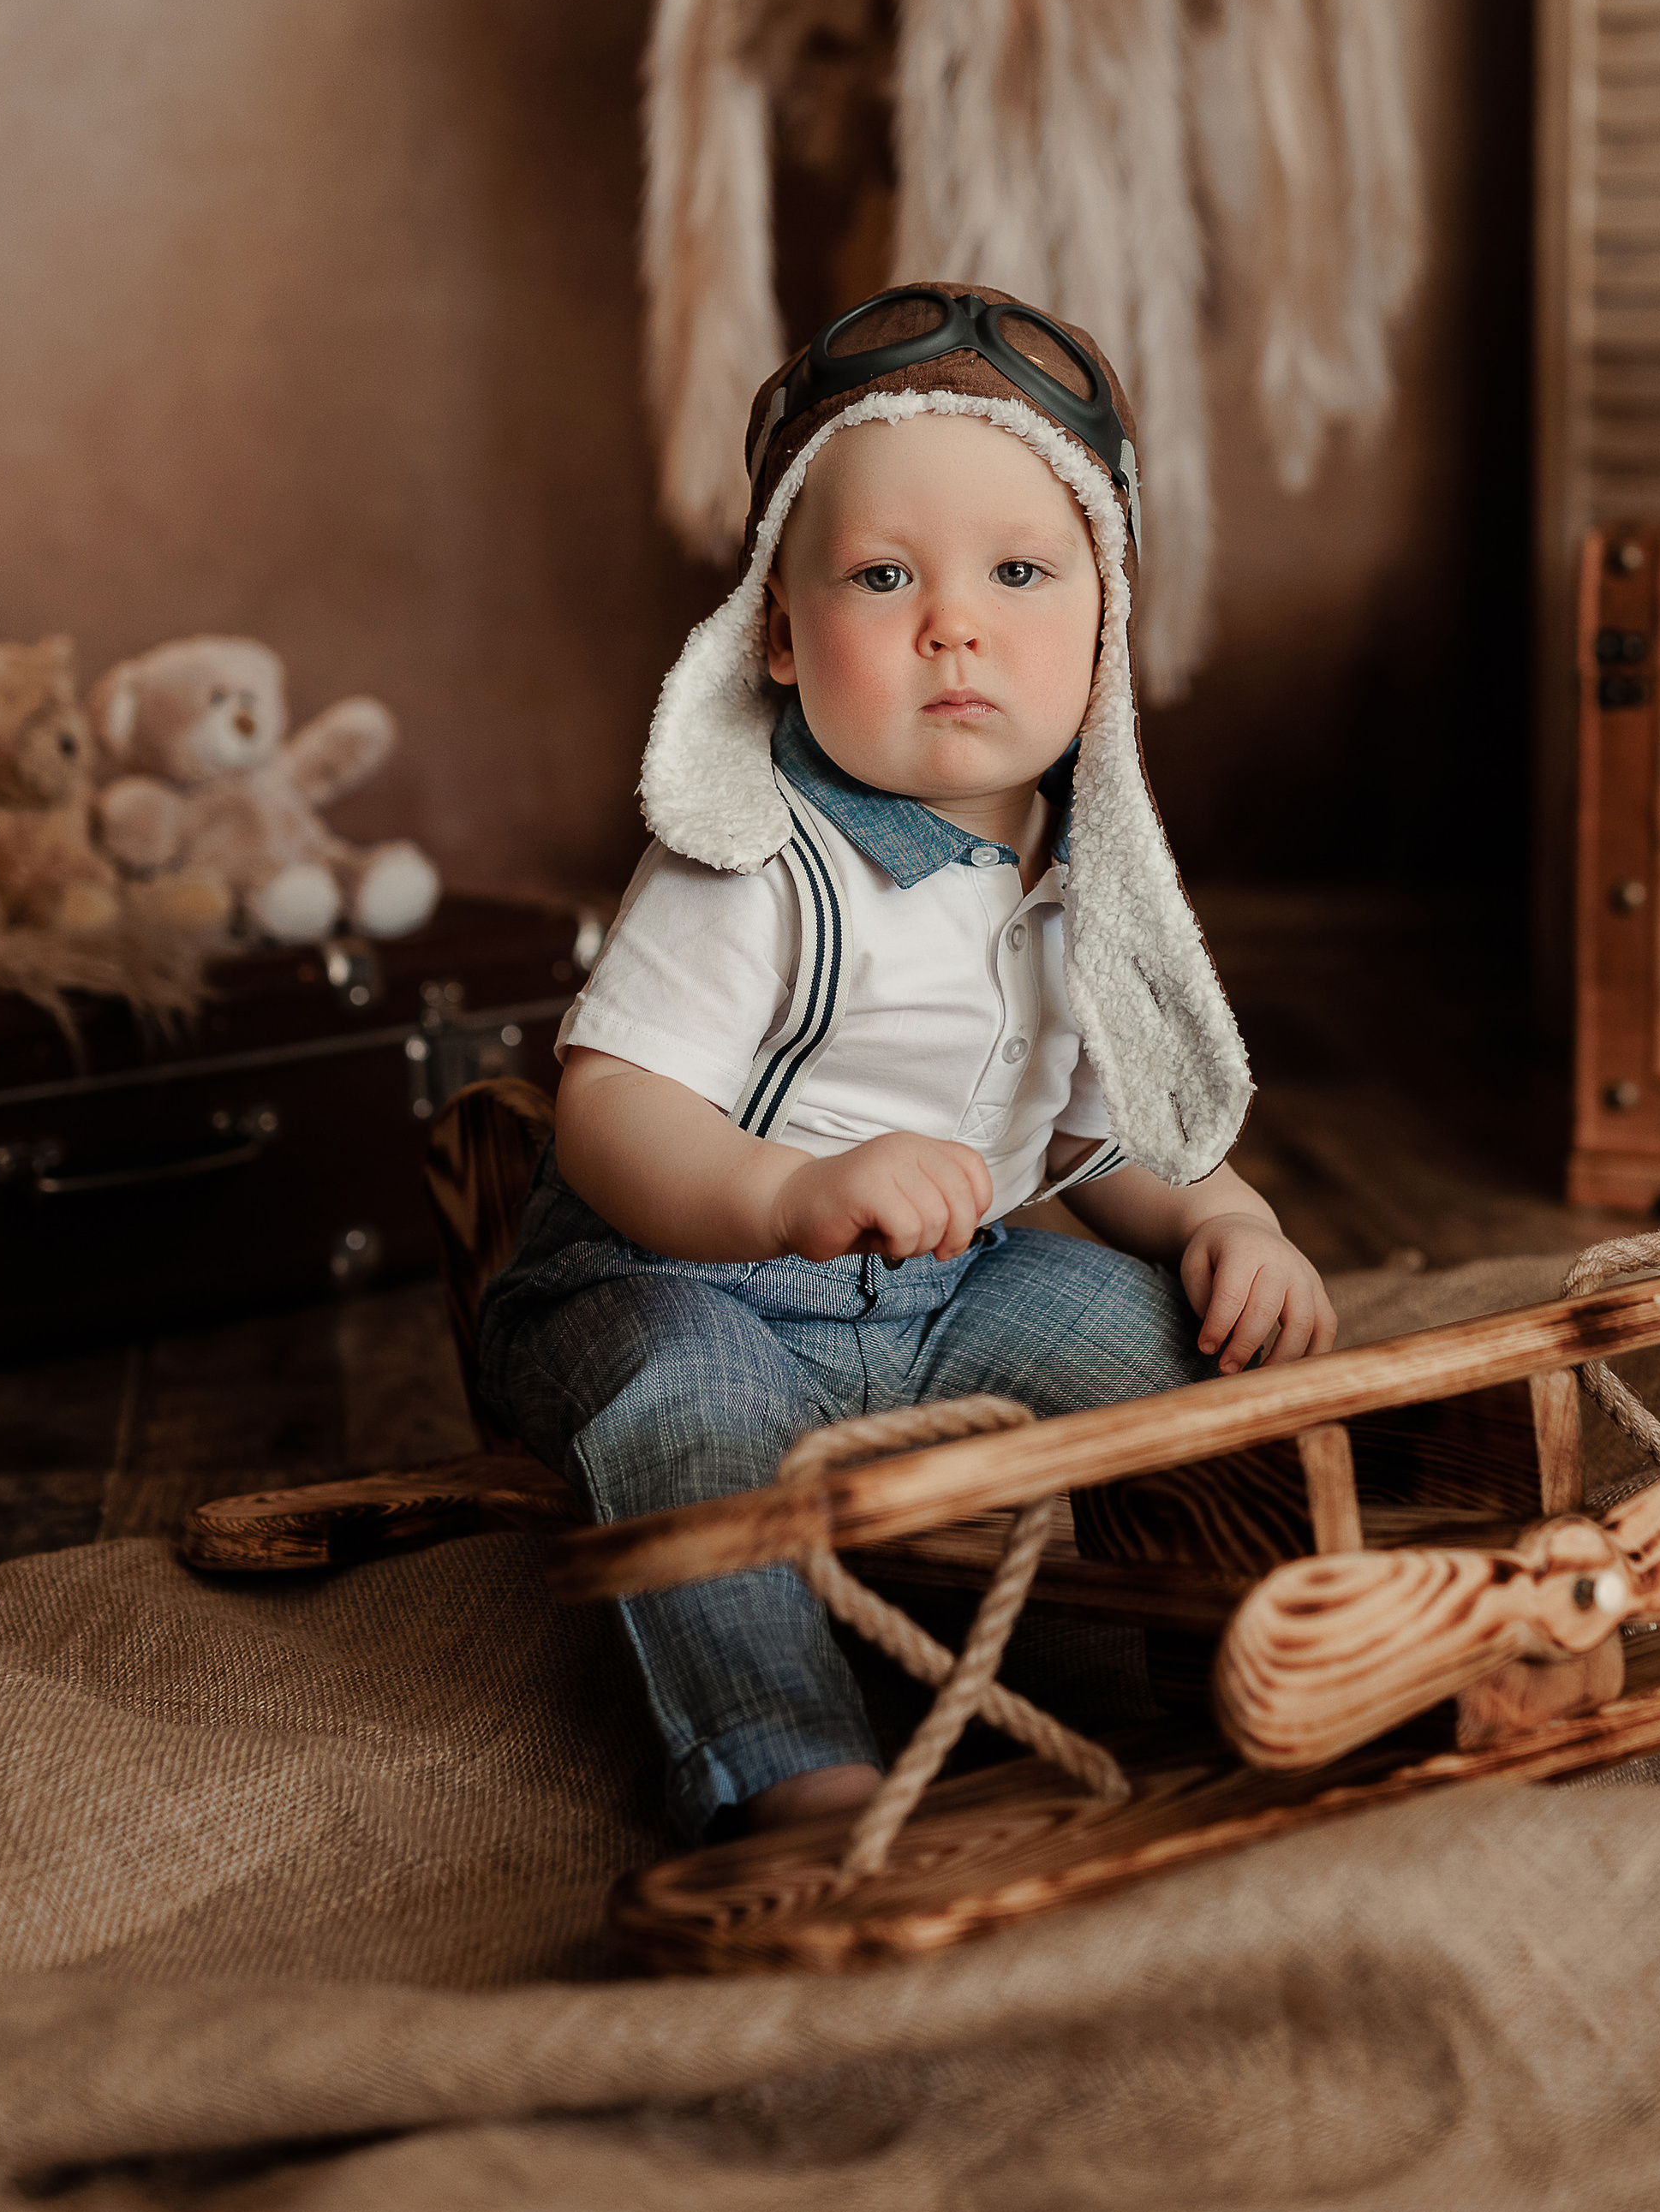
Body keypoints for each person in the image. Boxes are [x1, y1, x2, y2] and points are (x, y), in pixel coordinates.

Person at [478, 285, 1339, 1842]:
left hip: (946, 1292)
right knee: (685, 1411)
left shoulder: (1085, 877)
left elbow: (1101, 1142)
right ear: (779, 635)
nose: (955, 623)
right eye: (884, 577)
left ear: (1105, 621)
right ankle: (787, 1759)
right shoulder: (752, 854)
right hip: (682, 1281)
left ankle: (1267, 1644)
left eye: (1020, 572)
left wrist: (1226, 1219)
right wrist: (784, 1193)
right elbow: (611, 1109)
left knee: (1166, 1343)